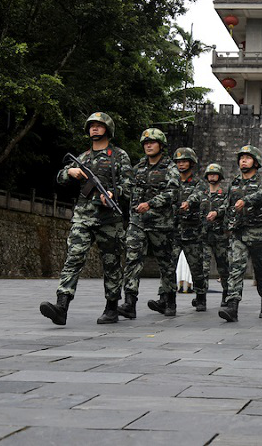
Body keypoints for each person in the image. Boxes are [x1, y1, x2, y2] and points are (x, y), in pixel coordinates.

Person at [40, 112, 132, 326]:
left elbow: (129, 187)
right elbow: (59, 178)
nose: (95, 129)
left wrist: (113, 193)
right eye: (92, 126)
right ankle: (61, 306)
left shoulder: (118, 156)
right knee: (73, 258)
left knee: (111, 264)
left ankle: (111, 308)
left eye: (99, 126)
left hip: (109, 219)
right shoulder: (82, 158)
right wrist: (70, 172)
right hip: (83, 216)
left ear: (107, 129)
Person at [118, 128, 180, 318]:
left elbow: (173, 193)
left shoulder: (170, 168)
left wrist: (151, 204)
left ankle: (169, 300)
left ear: (161, 146)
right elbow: (127, 190)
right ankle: (129, 302)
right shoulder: (138, 168)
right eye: (145, 143)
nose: (148, 145)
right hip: (138, 223)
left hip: (161, 224)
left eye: (152, 142)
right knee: (132, 260)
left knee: (166, 264)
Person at [219, 145, 262, 322]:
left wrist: (246, 200)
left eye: (248, 157)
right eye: (241, 157)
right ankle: (232, 306)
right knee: (235, 268)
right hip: (238, 233)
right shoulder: (234, 184)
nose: (243, 160)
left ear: (256, 163)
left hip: (258, 234)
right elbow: (227, 205)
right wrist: (217, 214)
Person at [192, 163, 230, 306]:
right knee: (202, 268)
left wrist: (217, 213)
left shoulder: (225, 195)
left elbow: (228, 208)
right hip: (204, 236)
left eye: (214, 174)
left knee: (224, 268)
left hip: (221, 237)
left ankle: (226, 297)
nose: (212, 176)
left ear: (219, 176)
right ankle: (201, 298)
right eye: (210, 174)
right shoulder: (201, 195)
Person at [174, 148, 206, 311]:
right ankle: (167, 299)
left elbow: (198, 195)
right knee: (168, 266)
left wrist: (188, 202)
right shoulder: (171, 182)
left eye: (184, 161)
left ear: (191, 163)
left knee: (196, 267)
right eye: (179, 161)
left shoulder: (199, 183)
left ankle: (201, 297)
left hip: (192, 231)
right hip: (173, 230)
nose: (181, 164)